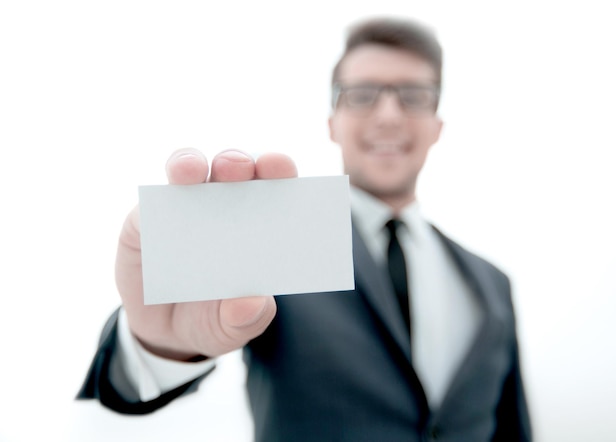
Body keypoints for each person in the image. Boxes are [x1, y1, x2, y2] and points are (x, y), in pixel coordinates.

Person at [78, 17, 532, 441]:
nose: (389, 114)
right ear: (332, 123)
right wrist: (159, 346)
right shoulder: (280, 247)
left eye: (413, 95)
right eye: (362, 94)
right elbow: (128, 384)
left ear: (437, 125)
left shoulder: (492, 284)